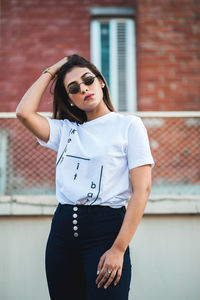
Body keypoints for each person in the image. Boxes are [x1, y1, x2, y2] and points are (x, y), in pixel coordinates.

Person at [16, 54, 155, 300]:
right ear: (70, 100)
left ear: (101, 82)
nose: (84, 88)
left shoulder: (129, 125)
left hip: (106, 233)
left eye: (88, 80)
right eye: (74, 88)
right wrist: (53, 70)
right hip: (61, 236)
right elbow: (24, 113)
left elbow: (142, 190)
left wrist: (118, 248)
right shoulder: (67, 131)